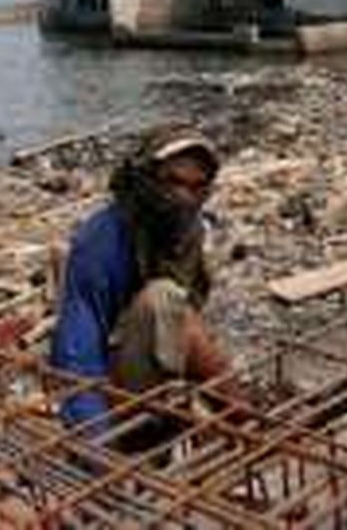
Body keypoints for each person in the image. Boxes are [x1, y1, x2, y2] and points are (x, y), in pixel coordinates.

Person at [49, 125, 233, 447]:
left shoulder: (187, 231)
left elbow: (192, 308)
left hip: (159, 364)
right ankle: (241, 410)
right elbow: (78, 353)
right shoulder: (100, 242)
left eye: (196, 186)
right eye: (172, 182)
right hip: (117, 392)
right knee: (163, 297)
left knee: (174, 306)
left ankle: (226, 407)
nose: (183, 197)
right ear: (145, 179)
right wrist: (97, 442)